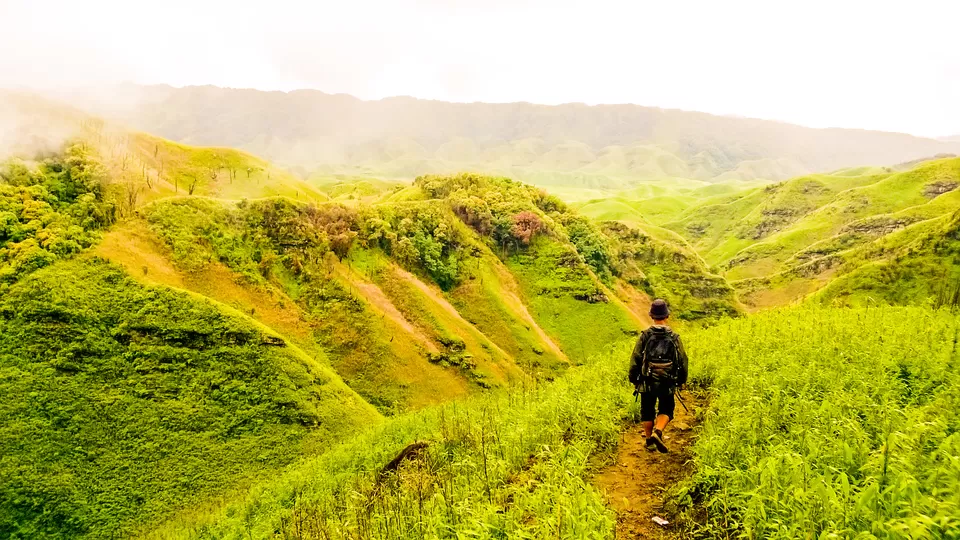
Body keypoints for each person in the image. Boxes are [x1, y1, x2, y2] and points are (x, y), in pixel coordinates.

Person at [628, 299, 688, 453]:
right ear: (666, 316)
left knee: (647, 409)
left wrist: (634, 378)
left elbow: (635, 358)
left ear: (651, 316)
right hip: (667, 381)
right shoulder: (674, 337)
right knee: (666, 408)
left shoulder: (645, 336)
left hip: (647, 380)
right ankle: (658, 431)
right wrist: (681, 380)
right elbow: (682, 360)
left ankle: (649, 440)